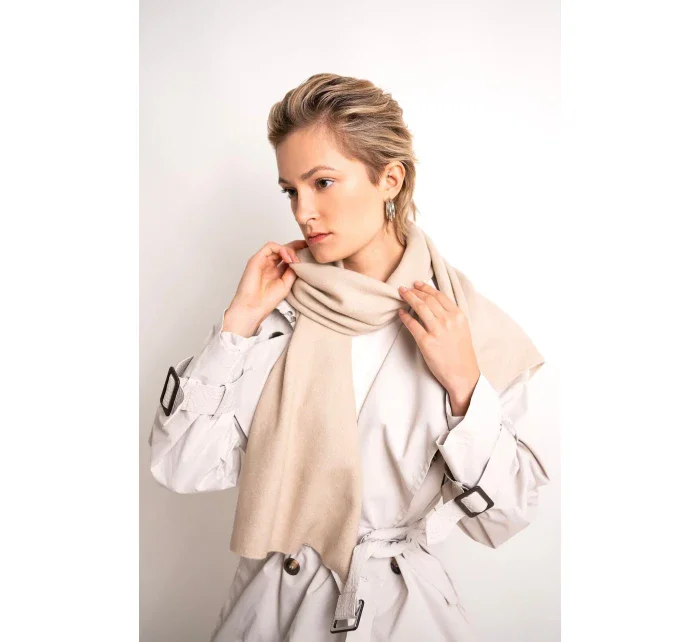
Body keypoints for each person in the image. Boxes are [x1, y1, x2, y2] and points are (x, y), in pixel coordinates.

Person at [148, 73, 555, 641]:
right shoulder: (280, 312)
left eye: (323, 182)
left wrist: (466, 387)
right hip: (273, 609)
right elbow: (180, 467)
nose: (303, 211)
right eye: (290, 190)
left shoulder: (464, 326)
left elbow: (504, 519)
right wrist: (237, 324)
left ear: (390, 179)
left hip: (399, 616)